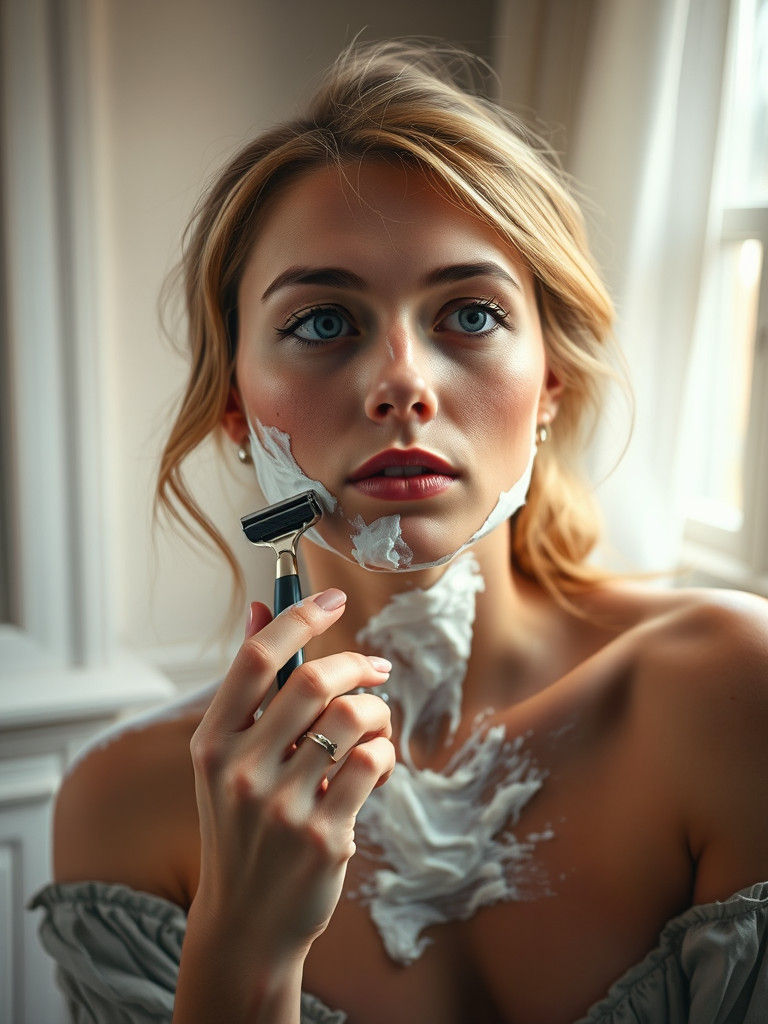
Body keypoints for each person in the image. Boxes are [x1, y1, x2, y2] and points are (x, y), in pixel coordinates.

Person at [28, 39, 768, 1024]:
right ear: (237, 409)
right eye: (324, 323)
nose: (403, 384)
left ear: (550, 381)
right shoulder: (128, 808)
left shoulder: (730, 696)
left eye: (468, 313)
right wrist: (243, 947)